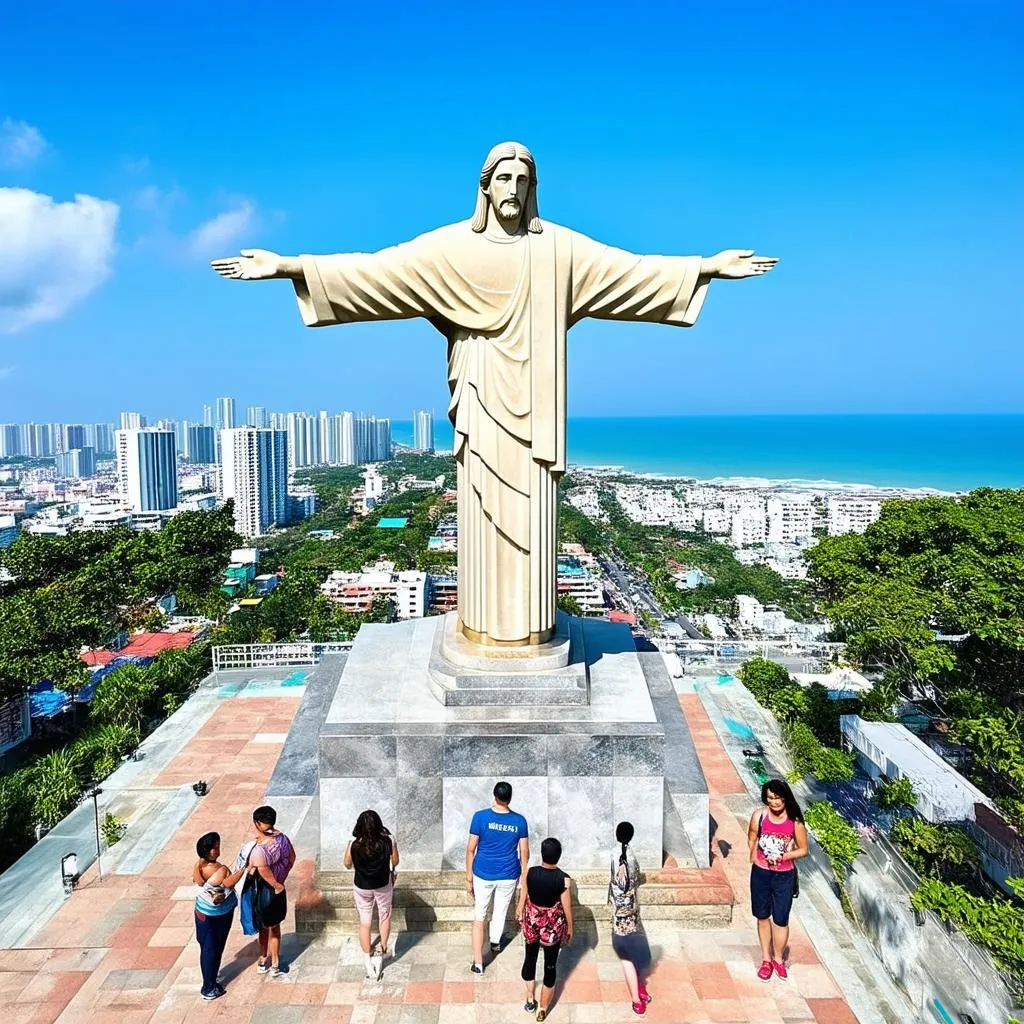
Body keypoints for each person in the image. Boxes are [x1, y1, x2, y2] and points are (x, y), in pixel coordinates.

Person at [466, 780, 529, 975]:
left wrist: (468, 878)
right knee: (500, 911)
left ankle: (478, 962)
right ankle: (494, 943)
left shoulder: (480, 818)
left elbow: (470, 849)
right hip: (508, 874)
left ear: (495, 796)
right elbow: (525, 855)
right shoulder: (519, 821)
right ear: (510, 798)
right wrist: (524, 880)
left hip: (482, 873)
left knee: (480, 915)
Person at [747, 779, 808, 982]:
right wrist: (753, 856)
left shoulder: (795, 821)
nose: (773, 802)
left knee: (780, 919)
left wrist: (783, 857)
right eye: (770, 798)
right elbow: (753, 836)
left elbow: (803, 850)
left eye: (777, 798)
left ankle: (778, 959)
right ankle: (766, 958)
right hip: (761, 874)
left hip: (784, 875)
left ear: (785, 798)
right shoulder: (760, 816)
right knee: (762, 916)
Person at [516, 837, 573, 1023]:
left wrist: (519, 908)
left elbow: (524, 893)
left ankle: (530, 998)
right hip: (552, 927)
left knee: (530, 958)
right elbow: (567, 907)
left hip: (532, 922)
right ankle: (542, 1008)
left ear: (542, 854)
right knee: (550, 965)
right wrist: (570, 927)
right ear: (559, 856)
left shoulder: (531, 873)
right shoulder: (563, 879)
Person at [191, 832, 250, 1000]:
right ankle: (209, 987)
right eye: (215, 847)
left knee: (206, 946)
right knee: (214, 947)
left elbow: (200, 882)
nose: (218, 849)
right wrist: (244, 869)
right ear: (208, 850)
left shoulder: (198, 866)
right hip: (219, 913)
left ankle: (210, 977)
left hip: (201, 910)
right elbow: (229, 883)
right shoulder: (220, 870)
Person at [343, 809, 400, 981]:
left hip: (362, 886)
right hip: (383, 884)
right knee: (384, 915)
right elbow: (395, 861)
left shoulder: (354, 842)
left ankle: (367, 958)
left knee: (365, 921)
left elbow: (347, 864)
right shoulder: (388, 840)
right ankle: (383, 949)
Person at [608, 822, 652, 1016]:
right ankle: (641, 988)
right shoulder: (632, 857)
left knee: (626, 957)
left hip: (619, 915)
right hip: (633, 913)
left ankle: (636, 1000)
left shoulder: (613, 855)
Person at [248, 805, 296, 978]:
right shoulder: (283, 839)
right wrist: (281, 876)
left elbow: (261, 869)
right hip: (278, 889)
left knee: (263, 926)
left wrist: (274, 883)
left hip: (264, 890)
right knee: (275, 927)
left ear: (257, 823)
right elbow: (291, 858)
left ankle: (263, 959)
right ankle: (275, 963)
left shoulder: (259, 848)